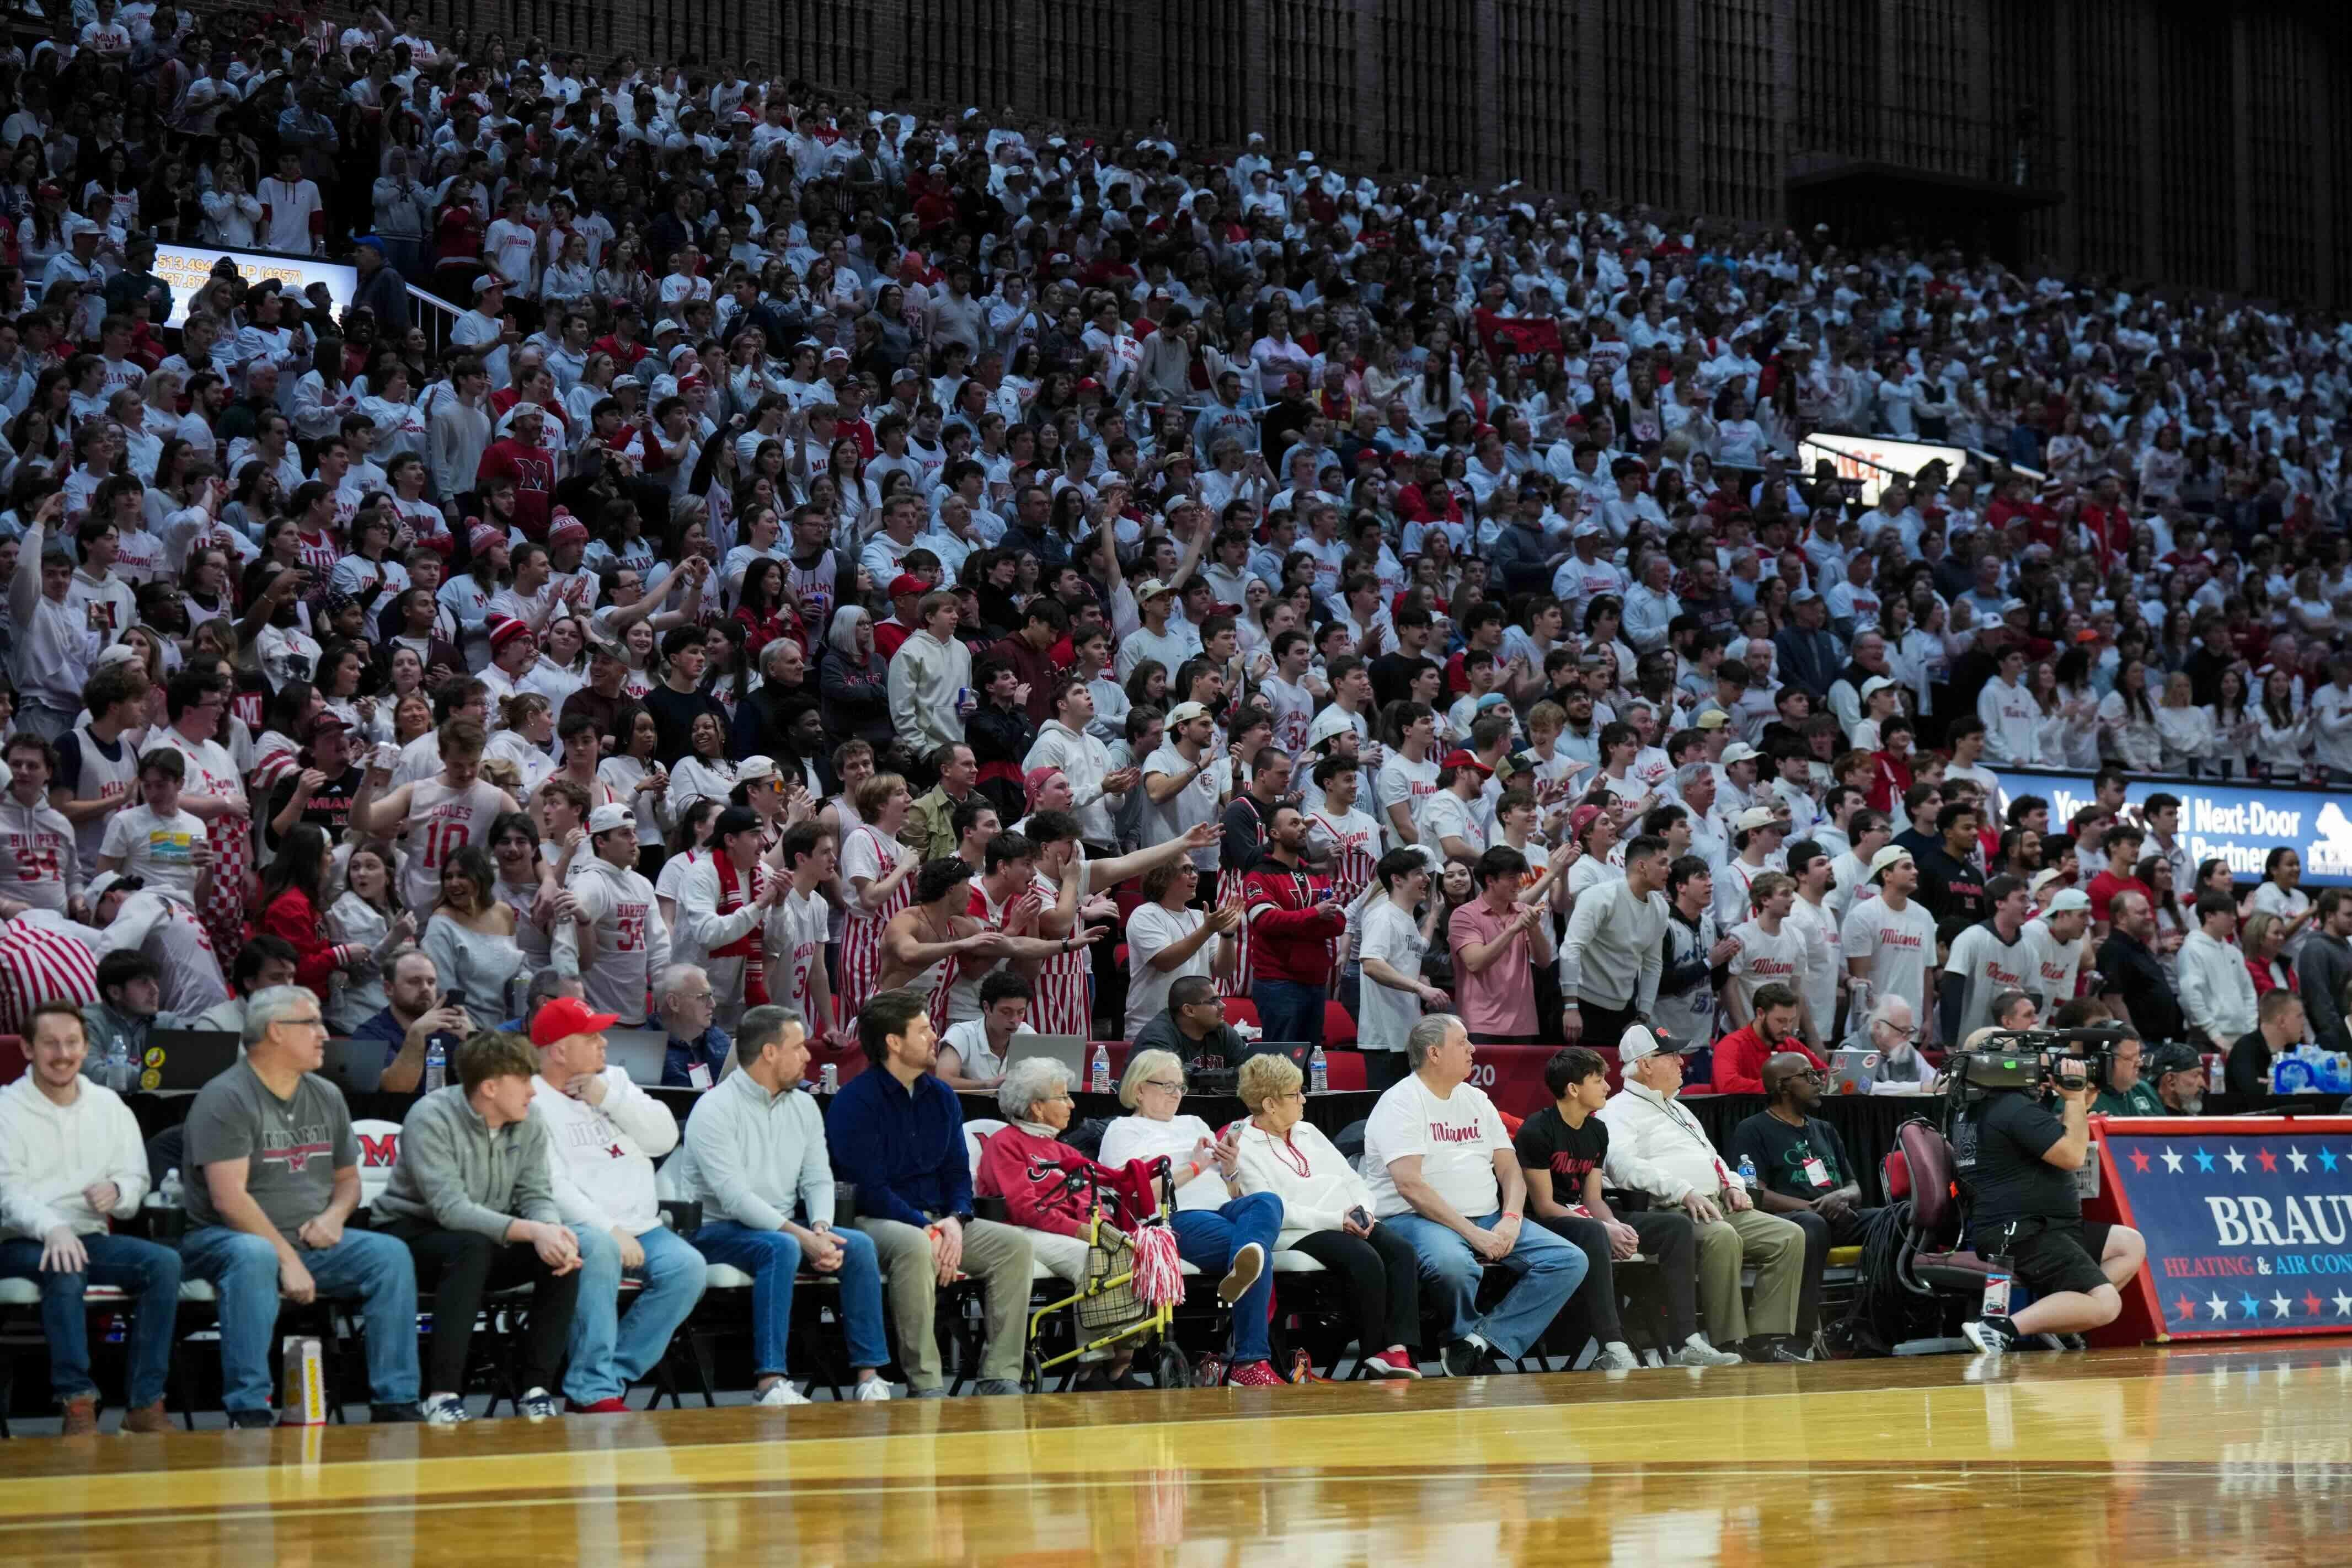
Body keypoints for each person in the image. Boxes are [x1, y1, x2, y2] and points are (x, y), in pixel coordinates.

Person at [177, 985, 424, 1426]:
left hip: (310, 1238)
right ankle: (248, 1405)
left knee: (390, 1255)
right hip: (224, 1240)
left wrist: (333, 1217)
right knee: (254, 1255)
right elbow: (228, 1198)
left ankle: (396, 1400)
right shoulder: (226, 1097)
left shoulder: (326, 1094)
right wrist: (286, 1257)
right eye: (311, 1023)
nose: (324, 1034)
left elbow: (348, 1181)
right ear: (274, 1031)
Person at [662, 1004, 894, 1404]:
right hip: (714, 1229)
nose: (809, 1056)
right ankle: (770, 1381)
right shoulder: (715, 1108)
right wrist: (803, 1236)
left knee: (856, 1246)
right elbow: (735, 1198)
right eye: (800, 1046)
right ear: (770, 1052)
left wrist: (820, 1228)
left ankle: (869, 1376)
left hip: (786, 1226)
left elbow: (818, 1177)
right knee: (782, 1245)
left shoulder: (804, 1105)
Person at [368, 1029, 589, 1425]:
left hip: (486, 1234)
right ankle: (443, 1394)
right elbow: (451, 1210)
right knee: (469, 1247)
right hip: (410, 1232)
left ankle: (536, 1389)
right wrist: (533, 1231)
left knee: (562, 1258)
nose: (533, 1092)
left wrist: (552, 1231)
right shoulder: (430, 1116)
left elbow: (536, 1192)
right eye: (523, 1081)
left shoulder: (529, 1120)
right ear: (489, 1087)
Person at [826, 987, 1034, 1396]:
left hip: (940, 1217)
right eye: (923, 1030)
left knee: (1013, 1246)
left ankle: (999, 1373)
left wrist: (956, 1220)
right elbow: (869, 1188)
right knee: (914, 1246)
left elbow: (958, 1171)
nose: (935, 1036)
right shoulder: (854, 1102)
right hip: (877, 1219)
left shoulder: (941, 1096)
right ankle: (925, 1381)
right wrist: (927, 1225)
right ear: (893, 1042)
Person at [1361, 1013, 1587, 1376]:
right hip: (1415, 1217)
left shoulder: (1477, 1099)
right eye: (1462, 1041)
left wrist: (1512, 1218)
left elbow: (1511, 1168)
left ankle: (1476, 1342)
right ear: (1433, 1053)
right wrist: (1473, 1233)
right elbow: (1410, 1185)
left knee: (1569, 1260)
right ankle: (1458, 1336)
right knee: (1456, 1267)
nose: (1473, 1048)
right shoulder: (1401, 1101)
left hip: (1488, 1216)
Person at [0, 1001, 180, 1433]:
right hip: (16, 1240)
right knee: (65, 1263)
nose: (63, 1053)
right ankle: (76, 1399)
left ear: (86, 1047)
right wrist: (53, 1228)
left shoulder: (109, 1105)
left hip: (88, 1234)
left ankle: (145, 1402)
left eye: (72, 1043)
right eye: (50, 1044)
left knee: (164, 1263)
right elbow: (7, 1193)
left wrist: (118, 1191)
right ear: (27, 1048)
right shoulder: (6, 1107)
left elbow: (135, 1178)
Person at [528, 995, 709, 1414]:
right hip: (584, 1230)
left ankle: (608, 1378)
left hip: (646, 1226)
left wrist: (606, 1097)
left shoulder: (614, 1081)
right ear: (558, 1049)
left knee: (689, 1268)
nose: (604, 1044)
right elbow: (549, 1184)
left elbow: (664, 1137)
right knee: (601, 1250)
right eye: (591, 1037)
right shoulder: (532, 1099)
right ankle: (592, 1389)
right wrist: (609, 1229)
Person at [1514, 1045, 1744, 1371]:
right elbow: (1545, 1205)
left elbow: (1593, 1199)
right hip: (1546, 1222)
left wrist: (1615, 1226)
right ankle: (1613, 1346)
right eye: (1599, 1080)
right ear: (1573, 1089)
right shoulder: (1538, 1130)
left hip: (1587, 1216)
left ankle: (1685, 1342)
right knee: (1594, 1231)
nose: (1608, 1087)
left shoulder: (1596, 1130)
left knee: (1674, 1228)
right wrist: (1604, 1228)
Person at [1599, 1023, 1811, 1361]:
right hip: (1670, 1212)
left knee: (1789, 1235)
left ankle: (1764, 1337)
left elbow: (1714, 1158)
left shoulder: (1679, 1108)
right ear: (1646, 1064)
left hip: (1715, 1205)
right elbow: (1623, 1168)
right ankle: (1727, 1342)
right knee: (1721, 1237)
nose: (1682, 1063)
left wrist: (1733, 1185)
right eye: (1672, 1056)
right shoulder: (1616, 1111)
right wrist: (1683, 1191)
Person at [1099, 1047, 1289, 1387]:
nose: (1176, 1094)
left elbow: (1231, 1192)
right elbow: (1139, 1195)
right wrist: (1197, 1165)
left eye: (1180, 1087)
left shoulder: (1193, 1123)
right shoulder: (1123, 1131)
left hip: (1223, 1207)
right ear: (1139, 1089)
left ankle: (1247, 1353)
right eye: (1167, 1086)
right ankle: (1249, 1361)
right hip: (1174, 1217)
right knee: (1256, 1253)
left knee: (1267, 1201)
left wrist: (1229, 1167)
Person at [1229, 1050, 1426, 1378]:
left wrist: (1364, 1210)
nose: (1304, 1100)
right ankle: (1373, 1355)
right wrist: (1337, 1221)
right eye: (1295, 1094)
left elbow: (1351, 1178)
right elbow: (1275, 1210)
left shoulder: (1308, 1131)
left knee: (1401, 1251)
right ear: (1269, 1104)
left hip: (1345, 1218)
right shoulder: (1243, 1146)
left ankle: (1399, 1351)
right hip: (1297, 1231)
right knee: (1364, 1258)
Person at [1954, 1039, 2148, 1354]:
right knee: (2106, 1305)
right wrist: (2072, 1099)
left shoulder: (1982, 1107)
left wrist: (2079, 1106)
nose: (2039, 1063)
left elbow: (2037, 1140)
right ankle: (1998, 1328)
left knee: (2129, 1245)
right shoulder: (2013, 1108)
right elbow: (2072, 1156)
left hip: (2033, 1226)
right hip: (2024, 1231)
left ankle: (2061, 1319)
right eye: (2027, 1055)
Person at [1727, 1052, 1878, 1347]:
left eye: (1816, 1075)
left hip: (1839, 1217)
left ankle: (1876, 1325)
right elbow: (1754, 1193)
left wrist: (1842, 1196)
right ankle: (1800, 1336)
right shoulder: (1753, 1130)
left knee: (1898, 1218)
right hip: (1794, 1221)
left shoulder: (1825, 1129)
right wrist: (1812, 1208)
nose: (1818, 1081)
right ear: (1783, 1087)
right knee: (1811, 1224)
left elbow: (1854, 1186)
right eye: (1808, 1076)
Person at [552, 804, 672, 1023]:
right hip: (596, 1016)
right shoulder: (590, 883)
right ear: (601, 842)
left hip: (637, 1015)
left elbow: (659, 945)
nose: (634, 840)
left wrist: (664, 992)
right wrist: (570, 987)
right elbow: (564, 940)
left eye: (634, 832)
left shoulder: (642, 884)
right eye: (625, 834)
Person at [1242, 804, 1347, 1046]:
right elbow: (1266, 921)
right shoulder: (1258, 875)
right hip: (1277, 982)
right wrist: (1315, 913)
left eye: (1302, 823)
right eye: (1294, 823)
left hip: (1315, 981)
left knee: (1311, 1061)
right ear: (1274, 834)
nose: (1302, 828)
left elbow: (1339, 922)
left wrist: (1295, 920)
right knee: (1280, 1063)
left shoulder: (1316, 874)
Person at [1557, 833, 1670, 1046]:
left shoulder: (1661, 908)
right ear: (1642, 866)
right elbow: (1571, 948)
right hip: (1581, 1004)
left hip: (1623, 1009)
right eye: (1662, 863)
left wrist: (1642, 1016)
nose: (1668, 870)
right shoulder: (1599, 896)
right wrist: (1571, 1006)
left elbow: (1653, 965)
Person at [1448, 845, 1557, 1043]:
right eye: (1511, 878)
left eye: (1519, 876)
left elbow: (1544, 962)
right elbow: (1475, 963)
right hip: (1480, 1024)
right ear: (1490, 880)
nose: (1519, 883)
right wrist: (1514, 929)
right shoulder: (1464, 915)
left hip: (1523, 1023)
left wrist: (1533, 928)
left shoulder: (1523, 911)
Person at [1940, 874, 2039, 1047]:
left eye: (2028, 900)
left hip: (2008, 1047)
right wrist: (1950, 1040)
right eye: (2022, 899)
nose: (2028, 905)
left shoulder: (2029, 950)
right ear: (2000, 903)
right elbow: (1951, 989)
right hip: (1967, 1042)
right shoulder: (1971, 939)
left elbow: (2037, 996)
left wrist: (2022, 998)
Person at [2096, 890, 2184, 1045]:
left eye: (2149, 911)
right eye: (2142, 913)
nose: (2150, 917)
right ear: (2122, 918)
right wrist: (2135, 1040)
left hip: (2159, 1041)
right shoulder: (2113, 950)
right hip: (2141, 1044)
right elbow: (2113, 1001)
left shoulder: (2139, 946)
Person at [2177, 890, 2258, 1054]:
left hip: (2240, 1036)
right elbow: (2191, 996)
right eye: (2228, 913)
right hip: (2206, 1040)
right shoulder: (2192, 949)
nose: (2234, 918)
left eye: (2234, 913)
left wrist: (2250, 1032)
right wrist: (2214, 1034)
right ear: (2209, 916)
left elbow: (2249, 993)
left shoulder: (2234, 952)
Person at [1710, 983, 1825, 1094]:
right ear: (1760, 1014)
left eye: (1791, 1021)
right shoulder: (1731, 1045)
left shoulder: (1791, 1045)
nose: (1787, 1028)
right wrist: (1785, 1086)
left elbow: (1826, 1074)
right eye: (1781, 1021)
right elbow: (1728, 1086)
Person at [654, 962, 731, 1088]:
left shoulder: (721, 1041)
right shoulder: (646, 1053)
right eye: (703, 997)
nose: (713, 1004)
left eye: (711, 995)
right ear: (674, 1003)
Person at [2227, 988, 2308, 1099]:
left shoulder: (2294, 1050)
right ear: (2282, 1021)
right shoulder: (2244, 1050)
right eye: (2299, 1016)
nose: (2303, 1022)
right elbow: (2255, 1094)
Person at [1864, 994, 1938, 1093]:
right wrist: (1920, 1088)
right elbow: (1860, 1087)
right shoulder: (1853, 1050)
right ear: (1878, 1027)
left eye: (1910, 1031)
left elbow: (1935, 1082)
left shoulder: (1907, 1050)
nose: (1907, 1038)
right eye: (1902, 1031)